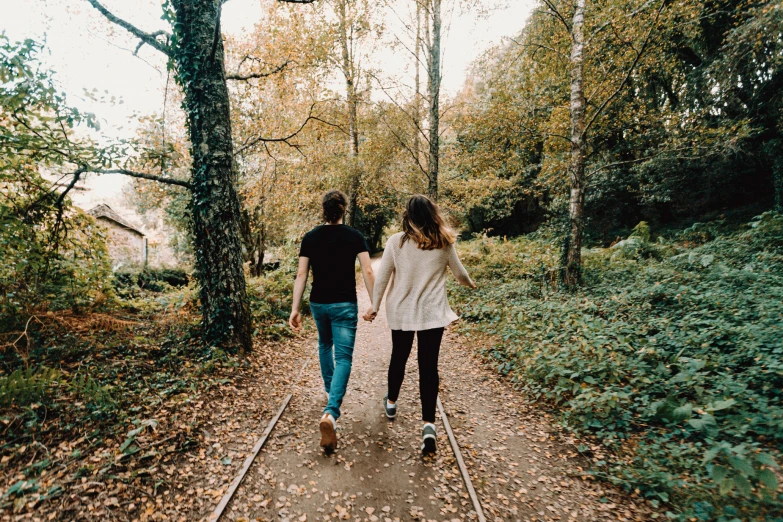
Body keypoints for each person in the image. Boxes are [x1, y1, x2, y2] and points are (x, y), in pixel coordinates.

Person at [364, 195, 476, 455]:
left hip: (401, 311)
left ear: (409, 215)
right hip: (432, 313)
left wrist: (375, 306)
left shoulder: (396, 242)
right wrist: (470, 283)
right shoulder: (443, 242)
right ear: (432, 214)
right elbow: (459, 272)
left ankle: (391, 402)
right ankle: (428, 426)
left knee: (399, 358)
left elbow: (382, 278)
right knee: (428, 366)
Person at [289, 190, 375, 453]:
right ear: (343, 210)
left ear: (324, 210)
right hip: (345, 305)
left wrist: (295, 308)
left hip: (319, 304)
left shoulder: (310, 238)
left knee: (325, 345)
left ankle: (330, 392)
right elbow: (368, 270)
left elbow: (301, 274)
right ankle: (331, 412)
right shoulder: (354, 236)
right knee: (345, 358)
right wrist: (375, 303)